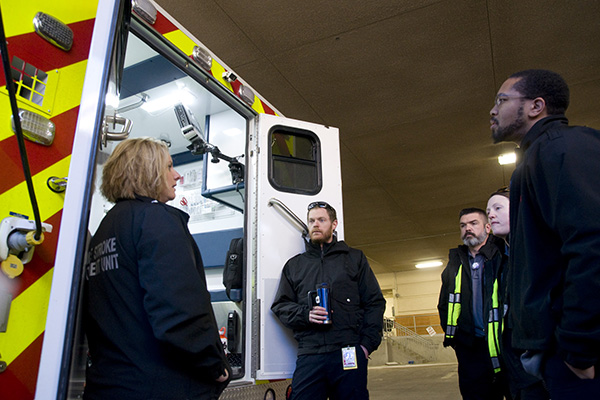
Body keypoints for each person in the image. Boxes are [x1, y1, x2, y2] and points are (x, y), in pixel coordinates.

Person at [83, 137, 230, 400]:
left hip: (109, 384)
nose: (177, 176)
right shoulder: (156, 219)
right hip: (160, 386)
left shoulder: (105, 230)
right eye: (169, 167)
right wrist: (214, 365)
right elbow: (177, 310)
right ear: (147, 171)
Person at [490, 69, 600, 398]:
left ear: (536, 106)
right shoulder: (537, 157)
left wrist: (578, 347)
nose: (493, 110)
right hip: (559, 352)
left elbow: (591, 245)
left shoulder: (562, 150)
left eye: (502, 100)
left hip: (580, 358)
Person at [271, 201, 385, 400]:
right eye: (312, 221)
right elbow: (280, 306)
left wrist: (366, 346)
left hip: (348, 352)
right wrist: (306, 314)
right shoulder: (295, 265)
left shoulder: (354, 259)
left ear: (334, 224)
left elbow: (375, 302)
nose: (316, 224)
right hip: (310, 354)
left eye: (321, 220)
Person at [438, 208, 510, 400]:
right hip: (471, 350)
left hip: (505, 346)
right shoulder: (455, 263)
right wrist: (458, 340)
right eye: (463, 225)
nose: (467, 228)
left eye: (473, 223)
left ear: (488, 227)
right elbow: (444, 303)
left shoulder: (503, 255)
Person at [487, 188, 550, 400]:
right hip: (514, 364)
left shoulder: (539, 249)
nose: (491, 215)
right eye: (488, 212)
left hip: (538, 364)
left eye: (498, 208)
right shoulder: (501, 259)